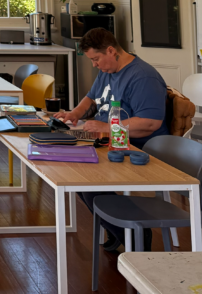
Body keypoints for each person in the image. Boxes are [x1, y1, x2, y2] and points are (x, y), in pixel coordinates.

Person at [52, 27, 169, 251]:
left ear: (111, 51)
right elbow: (91, 97)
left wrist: (107, 127)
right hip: (108, 139)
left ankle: (134, 233)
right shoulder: (108, 69)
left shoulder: (143, 77)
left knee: (86, 182)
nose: (94, 65)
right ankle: (118, 230)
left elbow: (150, 123)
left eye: (96, 59)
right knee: (75, 175)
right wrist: (74, 114)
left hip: (137, 147)